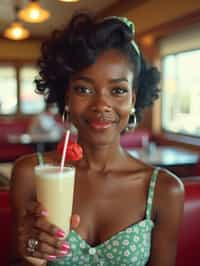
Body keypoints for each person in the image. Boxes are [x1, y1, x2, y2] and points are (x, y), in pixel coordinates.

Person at [10, 13, 184, 266]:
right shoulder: (31, 173)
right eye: (84, 89)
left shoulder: (164, 191)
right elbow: (18, 260)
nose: (102, 105)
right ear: (66, 95)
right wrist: (30, 253)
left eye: (118, 90)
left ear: (133, 99)